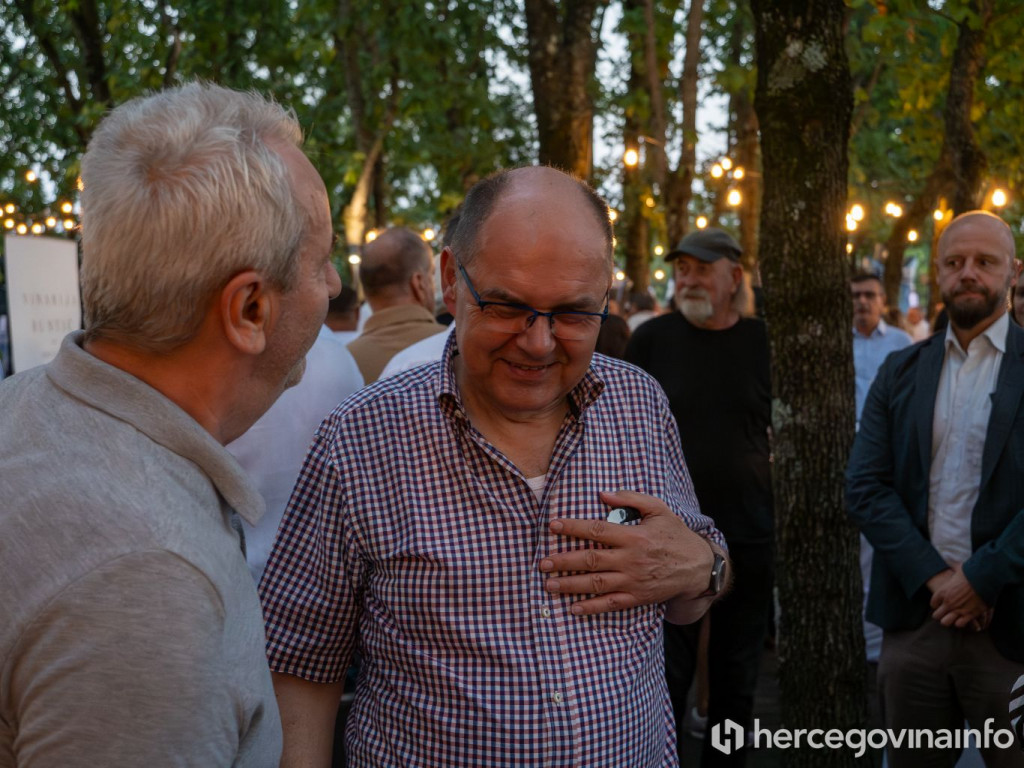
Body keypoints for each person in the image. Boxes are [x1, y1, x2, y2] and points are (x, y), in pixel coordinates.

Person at [259, 166, 729, 768]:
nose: (538, 342)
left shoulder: (639, 405)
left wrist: (704, 569)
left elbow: (694, 583)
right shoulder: (361, 439)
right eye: (508, 306)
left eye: (573, 313)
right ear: (451, 281)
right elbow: (300, 667)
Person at [0, 82, 342, 765]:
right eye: (322, 262)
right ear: (249, 309)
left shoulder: (25, 405)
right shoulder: (151, 587)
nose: (334, 287)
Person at [847, 210, 1024, 768]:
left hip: (1012, 625)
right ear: (939, 275)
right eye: (954, 262)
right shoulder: (900, 369)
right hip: (916, 620)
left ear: (1013, 271)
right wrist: (939, 580)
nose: (968, 273)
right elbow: (865, 487)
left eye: (985, 262)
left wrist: (981, 578)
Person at [625, 228, 772, 767]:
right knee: (666, 672)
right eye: (681, 268)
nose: (686, 278)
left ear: (734, 277)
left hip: (748, 532)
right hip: (665, 534)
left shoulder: (765, 342)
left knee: (737, 679)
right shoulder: (652, 340)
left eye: (700, 268)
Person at [227, 325, 363, 583]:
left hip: (244, 579)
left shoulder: (215, 350)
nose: (333, 284)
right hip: (325, 579)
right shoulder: (336, 351)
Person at [346, 227, 444, 383]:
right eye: (431, 275)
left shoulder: (346, 360)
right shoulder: (455, 347)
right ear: (419, 283)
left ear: (366, 289)